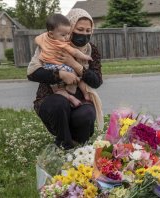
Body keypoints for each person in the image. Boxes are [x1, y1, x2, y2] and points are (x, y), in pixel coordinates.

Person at [27, 8, 103, 149]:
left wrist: (74, 64)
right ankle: (64, 143)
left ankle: (79, 146)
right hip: (51, 96)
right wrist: (60, 75)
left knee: (86, 114)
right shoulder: (50, 43)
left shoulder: (91, 50)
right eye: (80, 29)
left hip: (80, 100)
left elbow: (97, 81)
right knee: (59, 104)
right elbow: (32, 73)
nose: (84, 34)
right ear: (71, 26)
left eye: (88, 30)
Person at [35, 13, 92, 107]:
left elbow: (37, 39)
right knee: (78, 79)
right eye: (63, 35)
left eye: (68, 34)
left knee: (58, 90)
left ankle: (70, 98)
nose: (66, 37)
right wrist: (85, 57)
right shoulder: (62, 44)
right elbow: (75, 52)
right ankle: (81, 93)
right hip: (60, 67)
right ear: (51, 34)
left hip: (48, 67)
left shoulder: (43, 39)